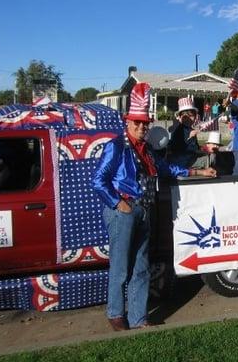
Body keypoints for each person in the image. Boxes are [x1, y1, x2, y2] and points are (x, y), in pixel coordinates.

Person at [92, 82, 216, 331]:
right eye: (136, 123)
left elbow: (166, 168)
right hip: (123, 212)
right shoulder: (115, 146)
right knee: (120, 265)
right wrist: (118, 203)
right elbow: (98, 181)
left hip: (144, 211)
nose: (141, 127)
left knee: (141, 266)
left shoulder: (147, 150)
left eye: (144, 123)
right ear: (127, 123)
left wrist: (197, 171)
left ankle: (139, 318)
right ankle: (116, 313)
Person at [167, 98, 202, 168]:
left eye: (191, 115)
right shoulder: (179, 130)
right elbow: (183, 149)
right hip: (181, 161)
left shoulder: (189, 129)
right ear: (180, 118)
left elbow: (196, 148)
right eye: (185, 116)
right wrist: (191, 138)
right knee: (211, 159)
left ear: (195, 117)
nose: (188, 119)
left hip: (186, 158)